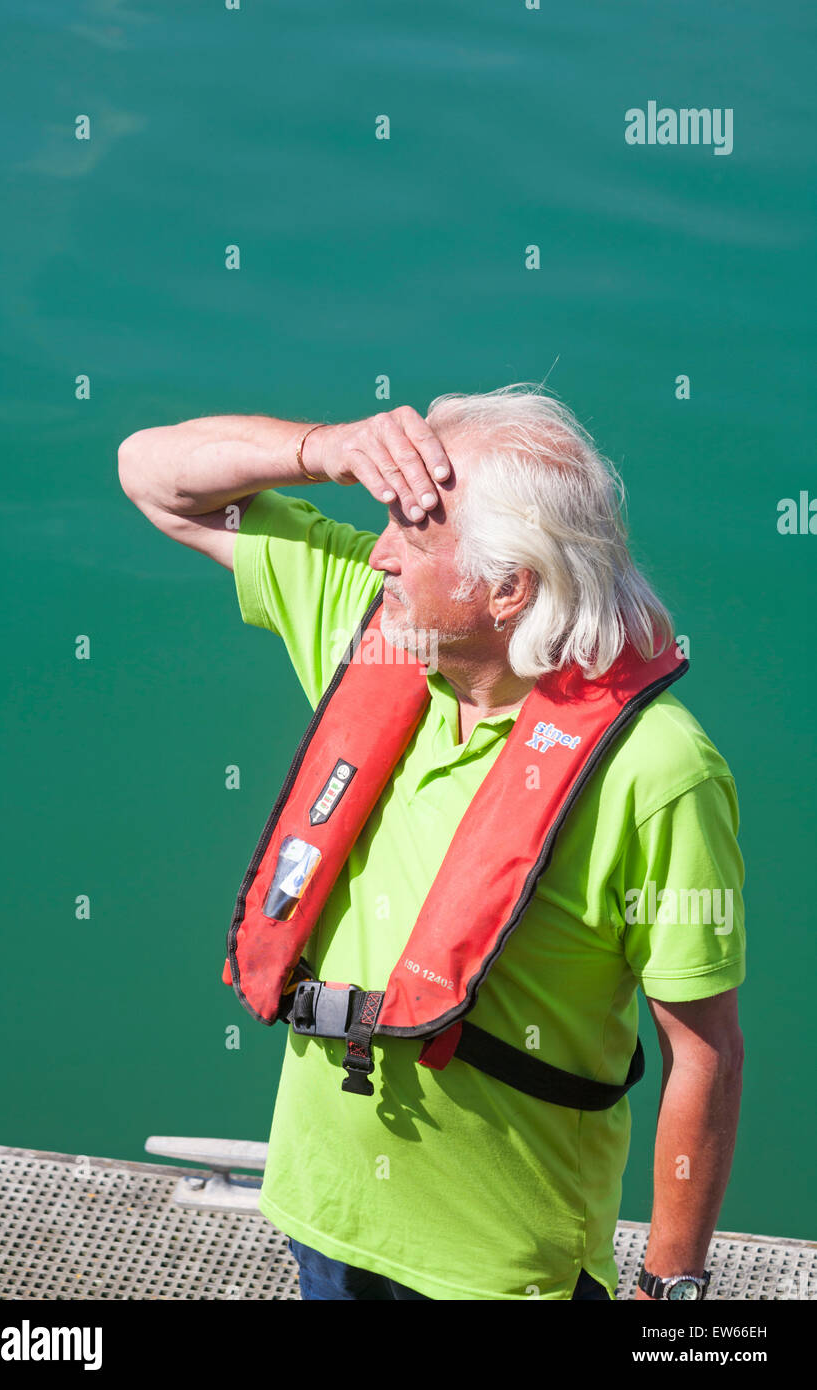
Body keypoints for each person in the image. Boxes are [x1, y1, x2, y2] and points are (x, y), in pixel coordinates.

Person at [118, 384, 745, 1301]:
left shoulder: (660, 772)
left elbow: (705, 1052)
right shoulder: (374, 630)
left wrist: (673, 1293)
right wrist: (326, 447)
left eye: (413, 534)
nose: (377, 555)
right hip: (325, 1225)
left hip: (500, 1275)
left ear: (508, 588)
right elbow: (151, 474)